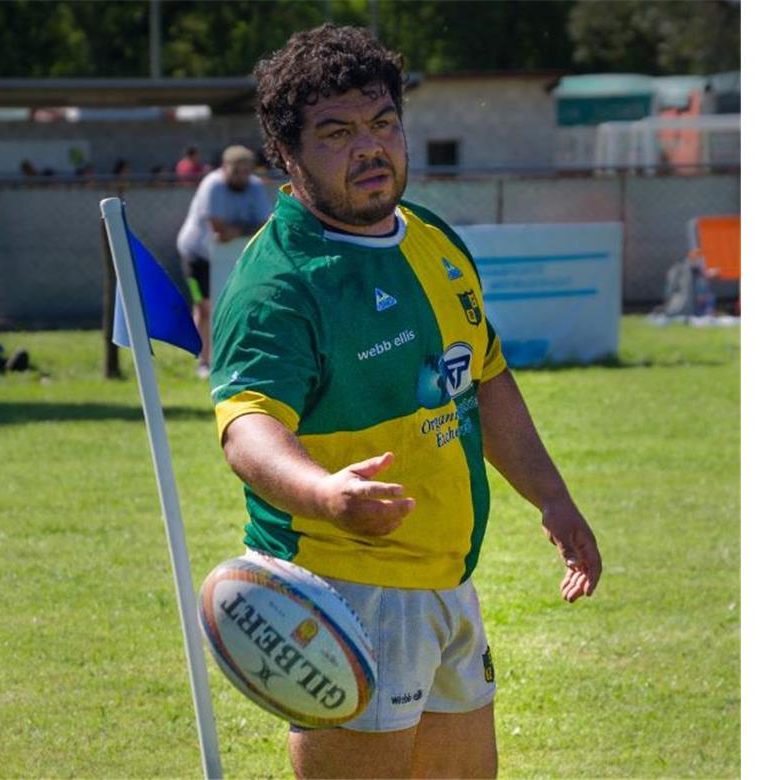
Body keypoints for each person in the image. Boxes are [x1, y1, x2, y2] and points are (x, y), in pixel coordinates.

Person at [208, 24, 602, 779]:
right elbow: (247, 427)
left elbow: (483, 378)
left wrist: (552, 498)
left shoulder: (430, 238)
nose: (370, 147)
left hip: (447, 578)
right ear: (286, 155)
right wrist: (323, 493)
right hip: (345, 590)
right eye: (337, 133)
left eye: (382, 122)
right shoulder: (281, 283)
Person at [176, 144, 273, 377]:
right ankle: (204, 361)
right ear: (224, 167)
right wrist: (246, 230)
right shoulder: (213, 185)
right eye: (235, 171)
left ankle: (236, 358)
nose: (241, 177)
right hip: (196, 256)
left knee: (240, 307)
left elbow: (265, 225)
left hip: (231, 258)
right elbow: (219, 229)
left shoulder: (255, 187)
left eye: (245, 171)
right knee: (205, 307)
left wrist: (237, 231)